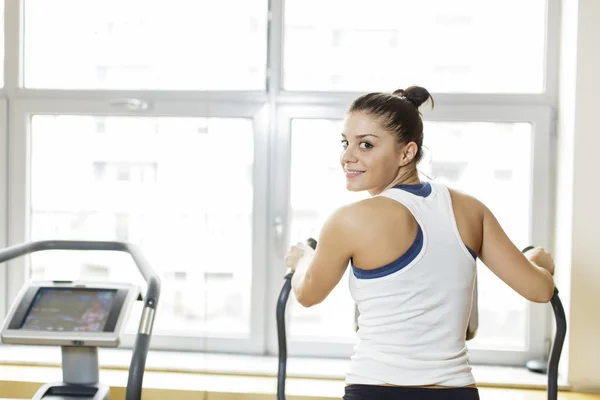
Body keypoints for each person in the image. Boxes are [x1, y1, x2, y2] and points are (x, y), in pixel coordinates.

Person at [284, 86, 556, 400]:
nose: (347, 156)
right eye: (346, 142)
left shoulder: (349, 220)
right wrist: (537, 262)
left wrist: (302, 259)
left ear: (407, 152)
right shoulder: (470, 209)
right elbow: (540, 289)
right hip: (456, 392)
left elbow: (307, 294)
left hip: (376, 390)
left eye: (366, 144)